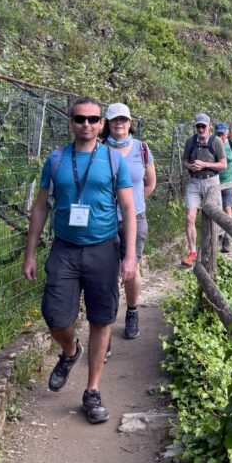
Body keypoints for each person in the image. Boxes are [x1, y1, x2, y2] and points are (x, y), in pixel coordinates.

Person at [22, 98, 137, 425]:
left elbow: (128, 208)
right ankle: (71, 351)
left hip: (103, 249)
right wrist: (30, 253)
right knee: (55, 315)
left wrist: (129, 255)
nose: (86, 124)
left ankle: (92, 391)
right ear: (70, 121)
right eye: (80, 119)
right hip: (65, 249)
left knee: (101, 319)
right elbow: (41, 207)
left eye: (93, 119)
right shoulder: (56, 160)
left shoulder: (113, 160)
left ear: (101, 124)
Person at [103, 103, 156, 341]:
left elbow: (150, 182)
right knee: (106, 270)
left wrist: (132, 206)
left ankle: (132, 312)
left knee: (132, 267)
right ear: (107, 123)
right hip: (104, 219)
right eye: (115, 120)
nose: (119, 124)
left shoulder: (141, 149)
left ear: (130, 123)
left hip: (135, 218)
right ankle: (106, 320)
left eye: (123, 120)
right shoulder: (99, 149)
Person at [182, 114, 226, 267]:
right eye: (198, 126)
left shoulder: (216, 141)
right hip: (194, 181)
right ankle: (193, 252)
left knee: (214, 216)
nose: (201, 129)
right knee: (189, 217)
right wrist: (190, 166)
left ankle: (213, 249)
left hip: (211, 181)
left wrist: (205, 164)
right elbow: (184, 161)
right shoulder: (190, 142)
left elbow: (223, 164)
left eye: (203, 126)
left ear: (209, 126)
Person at [215, 123, 232, 253]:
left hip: (228, 182)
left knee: (227, 208)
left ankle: (227, 238)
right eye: (218, 134)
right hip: (214, 182)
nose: (221, 136)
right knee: (217, 209)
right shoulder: (213, 144)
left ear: (226, 133)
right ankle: (218, 234)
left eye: (222, 134)